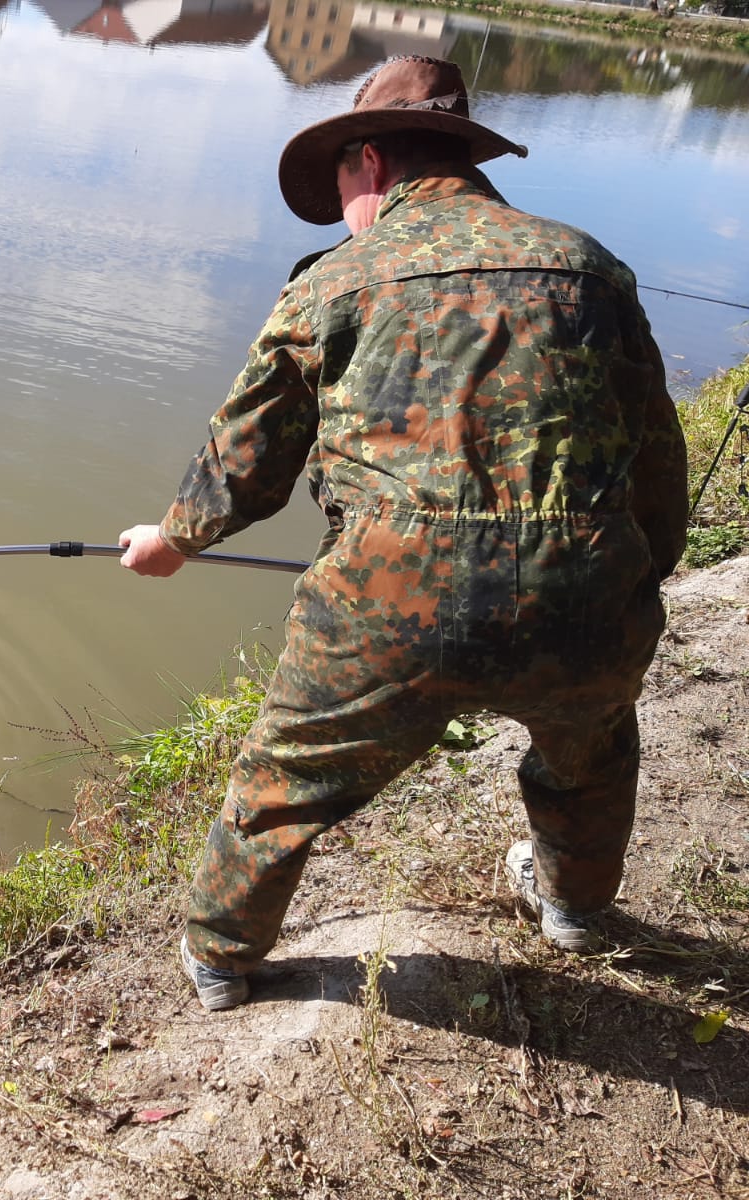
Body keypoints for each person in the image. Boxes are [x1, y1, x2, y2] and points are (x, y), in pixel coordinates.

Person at [118, 56, 688, 1012]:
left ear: (371, 162)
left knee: (282, 784)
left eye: (341, 184)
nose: (344, 212)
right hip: (587, 590)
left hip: (388, 607)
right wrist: (636, 578)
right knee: (591, 752)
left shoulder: (332, 284)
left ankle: (221, 960)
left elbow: (247, 461)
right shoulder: (592, 268)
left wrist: (171, 542)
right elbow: (655, 459)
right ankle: (575, 911)